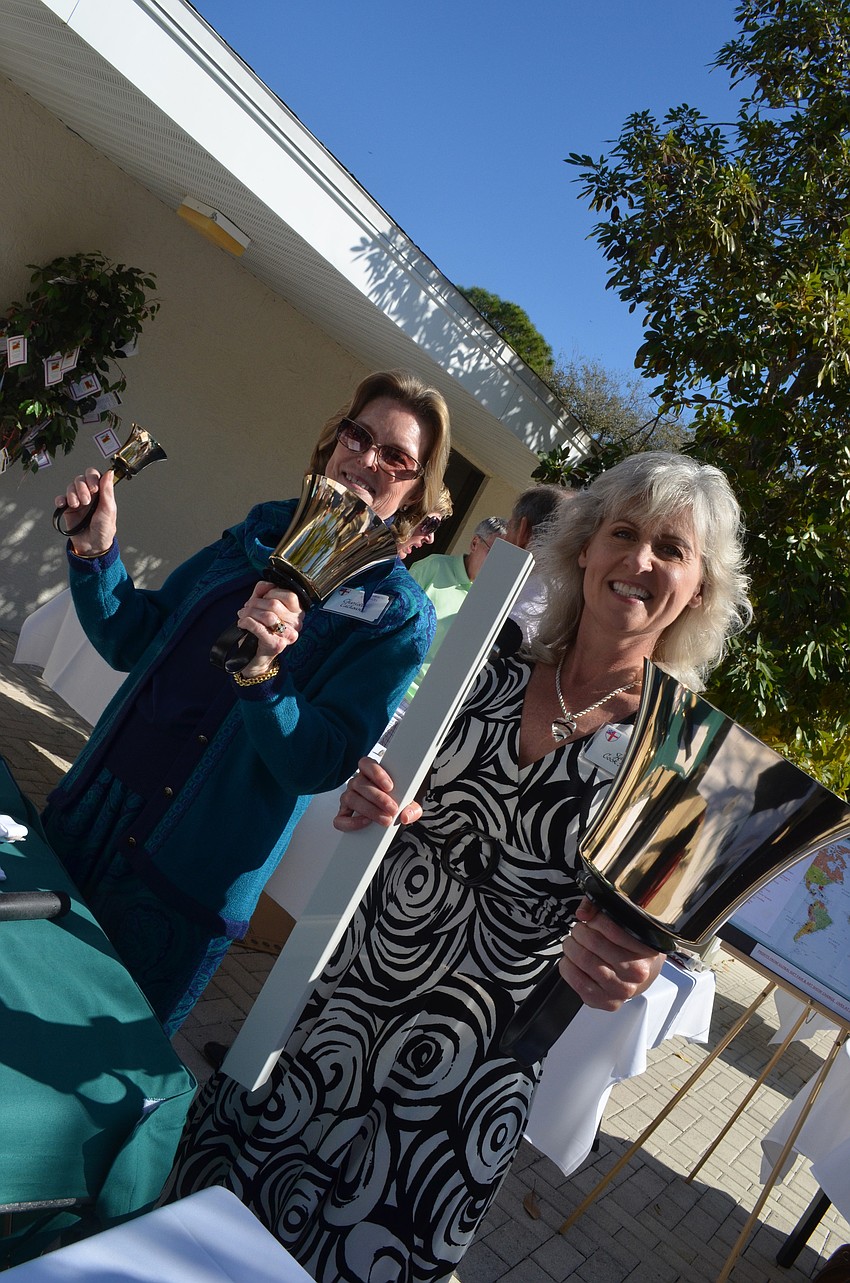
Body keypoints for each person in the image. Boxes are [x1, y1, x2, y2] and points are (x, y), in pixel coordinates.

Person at [171, 450, 752, 1282]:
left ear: (697, 590)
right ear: (584, 547)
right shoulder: (480, 665)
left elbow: (664, 939)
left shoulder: (683, 762)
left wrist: (641, 959)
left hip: (462, 1080)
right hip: (338, 1005)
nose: (641, 561)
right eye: (622, 533)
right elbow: (388, 803)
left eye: (672, 548)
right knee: (201, 1227)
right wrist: (368, 802)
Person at [41, 369, 451, 1035]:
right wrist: (97, 553)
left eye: (396, 456)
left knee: (76, 1062)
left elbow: (315, 761)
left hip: (184, 875)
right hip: (94, 805)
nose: (367, 459)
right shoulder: (261, 526)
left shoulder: (396, 614)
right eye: (359, 435)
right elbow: (135, 636)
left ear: (416, 490)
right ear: (332, 441)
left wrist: (263, 675)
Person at [503, 482, 577, 642]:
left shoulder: (511, 621)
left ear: (523, 531)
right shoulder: (573, 615)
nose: (503, 538)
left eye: (508, 528)